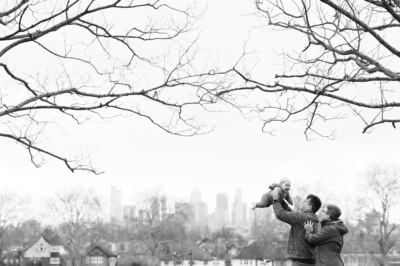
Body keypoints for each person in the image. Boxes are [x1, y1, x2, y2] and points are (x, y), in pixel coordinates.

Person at [273, 193, 322, 266]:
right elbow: (291, 215)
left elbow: (280, 214)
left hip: (300, 262)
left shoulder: (301, 217)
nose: (302, 202)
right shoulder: (314, 219)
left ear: (309, 206)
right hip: (310, 261)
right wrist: (282, 201)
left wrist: (275, 199)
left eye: (305, 201)